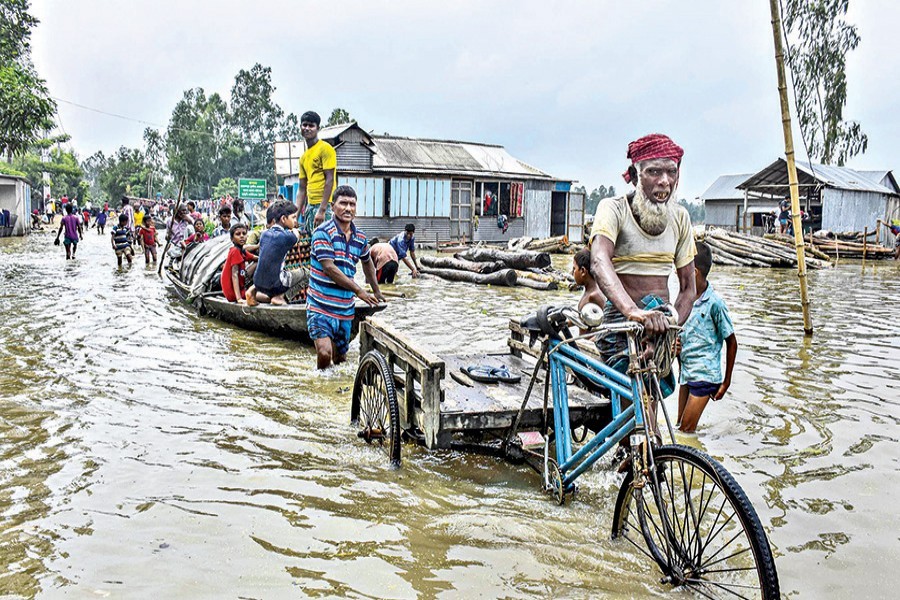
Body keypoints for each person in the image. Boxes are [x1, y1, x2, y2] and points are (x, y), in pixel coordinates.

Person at [589, 133, 696, 450]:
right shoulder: (613, 209)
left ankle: (644, 457)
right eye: (653, 172)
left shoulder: (680, 217)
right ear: (635, 175)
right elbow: (599, 260)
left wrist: (672, 323)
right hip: (621, 322)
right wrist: (633, 312)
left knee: (650, 404)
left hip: (661, 326)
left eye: (671, 172)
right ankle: (637, 453)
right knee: (638, 417)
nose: (664, 181)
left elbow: (688, 288)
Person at [307, 186, 383, 369]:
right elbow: (329, 268)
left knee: (340, 358)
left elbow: (367, 262)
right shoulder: (322, 233)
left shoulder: (360, 237)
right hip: (320, 305)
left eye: (352, 204)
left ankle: (335, 385)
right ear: (333, 206)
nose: (348, 208)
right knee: (324, 353)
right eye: (343, 203)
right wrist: (359, 291)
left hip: (345, 308)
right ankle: (320, 383)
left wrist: (377, 291)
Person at [676, 242, 737, 433]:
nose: (677, 272)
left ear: (694, 272)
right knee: (679, 428)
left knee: (686, 430)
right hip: (687, 373)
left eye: (681, 268)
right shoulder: (684, 300)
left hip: (705, 375)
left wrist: (726, 382)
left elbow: (732, 342)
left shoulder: (715, 303)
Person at [246, 201, 308, 306]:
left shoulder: (264, 234)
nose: (295, 220)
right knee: (306, 273)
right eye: (293, 217)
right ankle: (280, 297)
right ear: (283, 219)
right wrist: (294, 229)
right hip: (275, 284)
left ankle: (252, 291)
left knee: (269, 269)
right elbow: (296, 235)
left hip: (257, 282)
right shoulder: (287, 236)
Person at [296, 111, 337, 233]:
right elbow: (302, 188)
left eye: (311, 125)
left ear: (318, 128)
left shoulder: (325, 149)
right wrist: (295, 216)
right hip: (310, 206)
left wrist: (322, 210)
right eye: (304, 125)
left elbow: (330, 179)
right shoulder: (303, 157)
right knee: (311, 241)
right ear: (300, 127)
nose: (307, 128)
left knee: (325, 240)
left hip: (326, 206)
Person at [220, 223, 258, 303]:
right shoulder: (235, 251)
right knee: (265, 297)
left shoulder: (242, 251)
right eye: (238, 234)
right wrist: (239, 298)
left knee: (258, 263)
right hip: (233, 293)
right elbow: (234, 274)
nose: (242, 236)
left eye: (244, 234)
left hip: (241, 286)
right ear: (232, 239)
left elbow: (256, 258)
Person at [572, 247, 607, 311]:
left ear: (583, 271)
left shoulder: (595, 296)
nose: (572, 273)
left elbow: (605, 315)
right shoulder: (587, 290)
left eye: (574, 269)